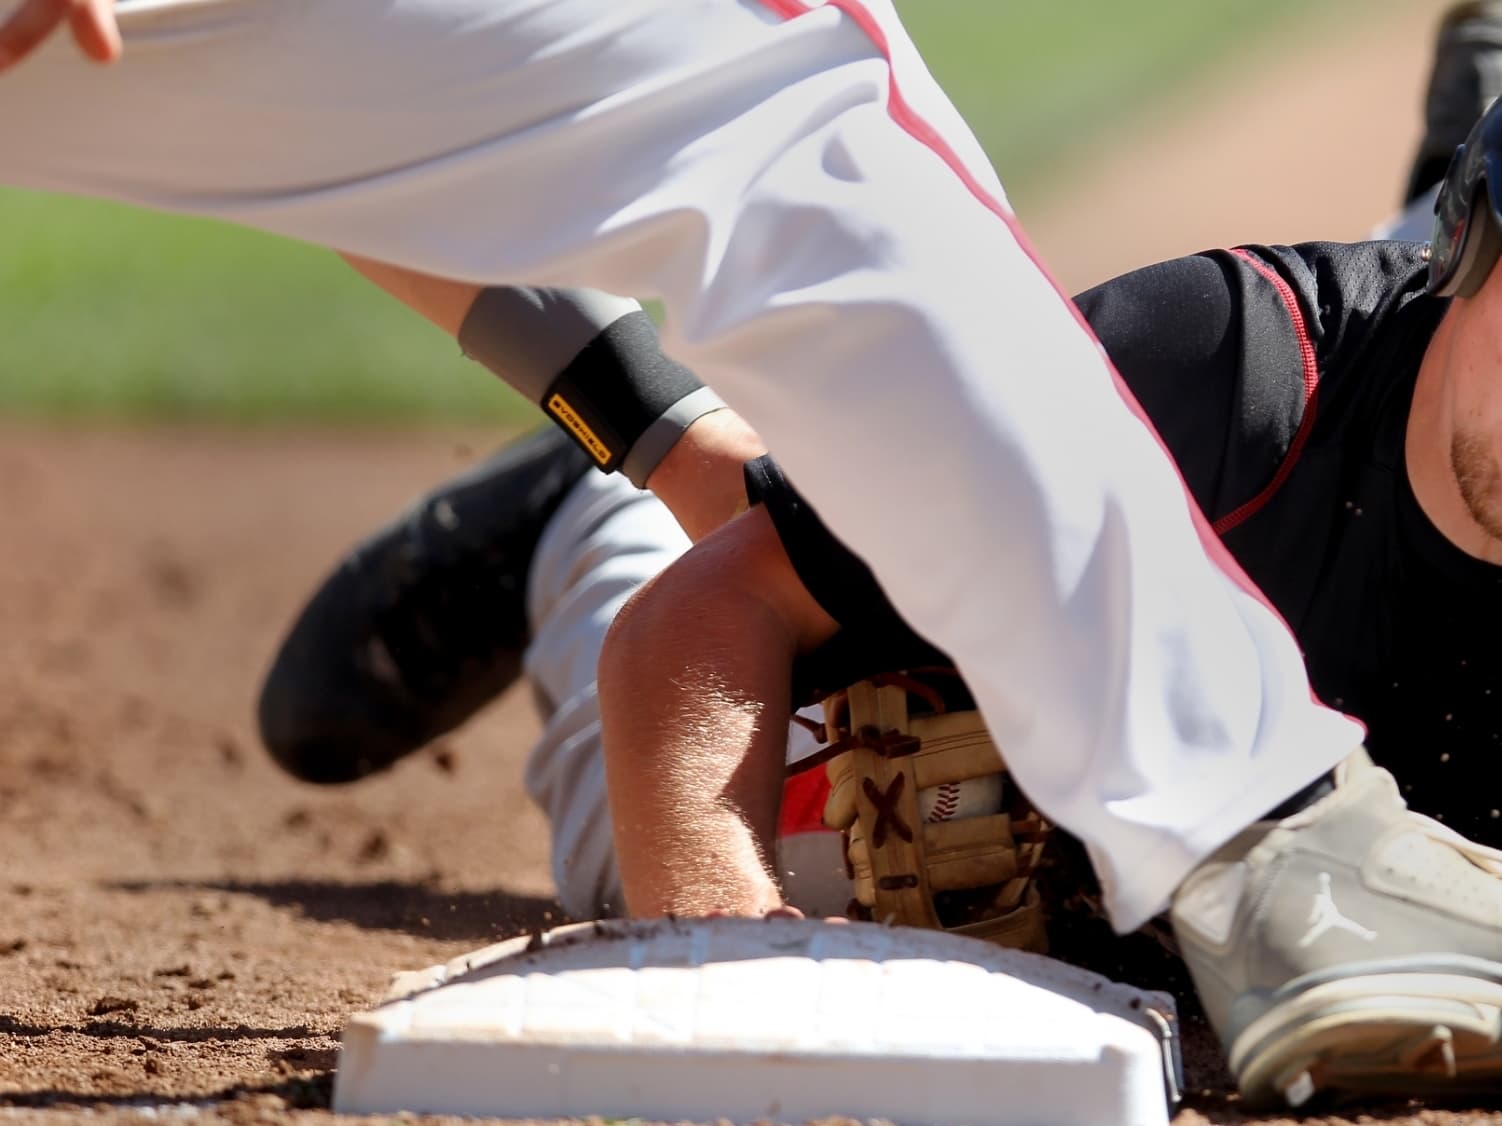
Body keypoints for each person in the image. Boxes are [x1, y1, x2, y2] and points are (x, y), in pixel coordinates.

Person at [14, 0, 1502, 1107]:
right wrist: (729, 969)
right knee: (782, 147)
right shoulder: (1246, 366)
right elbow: (684, 642)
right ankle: (643, 473)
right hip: (769, 685)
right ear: (1474, 249)